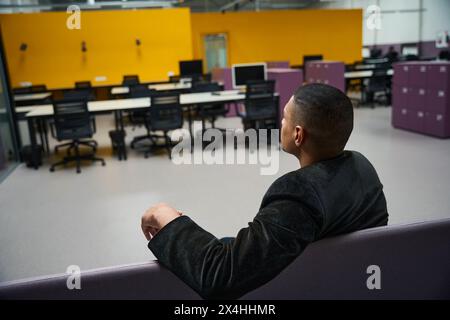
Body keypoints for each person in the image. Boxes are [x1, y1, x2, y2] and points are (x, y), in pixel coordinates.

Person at [141, 83, 389, 300]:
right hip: (354, 283)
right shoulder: (362, 167)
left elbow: (221, 276)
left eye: (285, 117)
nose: (281, 122)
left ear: (298, 134)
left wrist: (169, 218)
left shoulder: (299, 193)